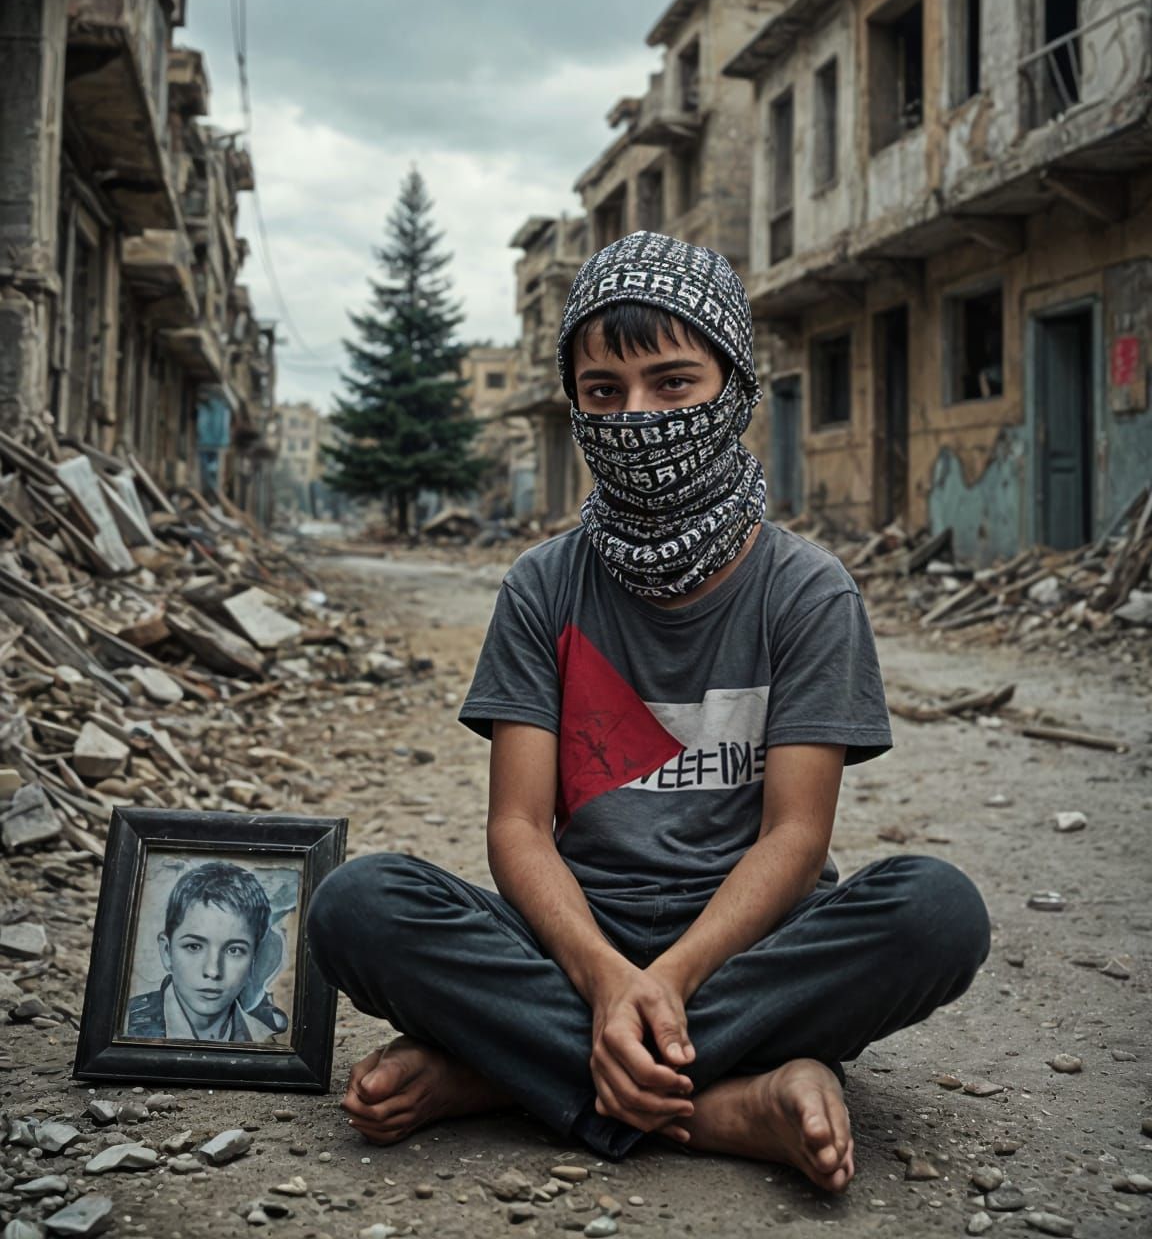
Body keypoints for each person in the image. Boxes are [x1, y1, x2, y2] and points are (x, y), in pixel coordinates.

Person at [307, 231, 990, 1191]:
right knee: (357, 906)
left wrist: (667, 980)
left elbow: (796, 839)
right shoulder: (543, 586)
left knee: (936, 913)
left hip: (752, 940)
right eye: (603, 392)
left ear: (736, 389)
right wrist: (602, 976)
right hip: (572, 935)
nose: (637, 417)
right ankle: (726, 1107)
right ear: (576, 405)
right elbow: (517, 828)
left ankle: (500, 1075)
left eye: (673, 384)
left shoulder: (807, 592)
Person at [125, 861, 286, 1043]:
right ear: (167, 952)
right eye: (194, 947)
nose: (213, 971)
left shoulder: (264, 1042)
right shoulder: (122, 1026)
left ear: (253, 960)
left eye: (234, 950)